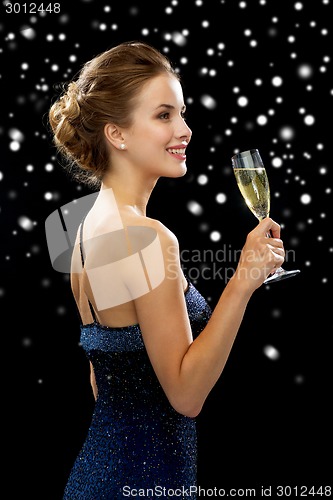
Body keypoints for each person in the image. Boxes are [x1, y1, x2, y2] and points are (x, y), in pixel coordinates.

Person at [48, 40, 285, 499]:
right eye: (164, 115)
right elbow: (186, 396)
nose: (185, 129)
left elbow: (102, 375)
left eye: (181, 112)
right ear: (116, 134)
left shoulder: (79, 228)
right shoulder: (150, 238)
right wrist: (243, 281)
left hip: (100, 474)